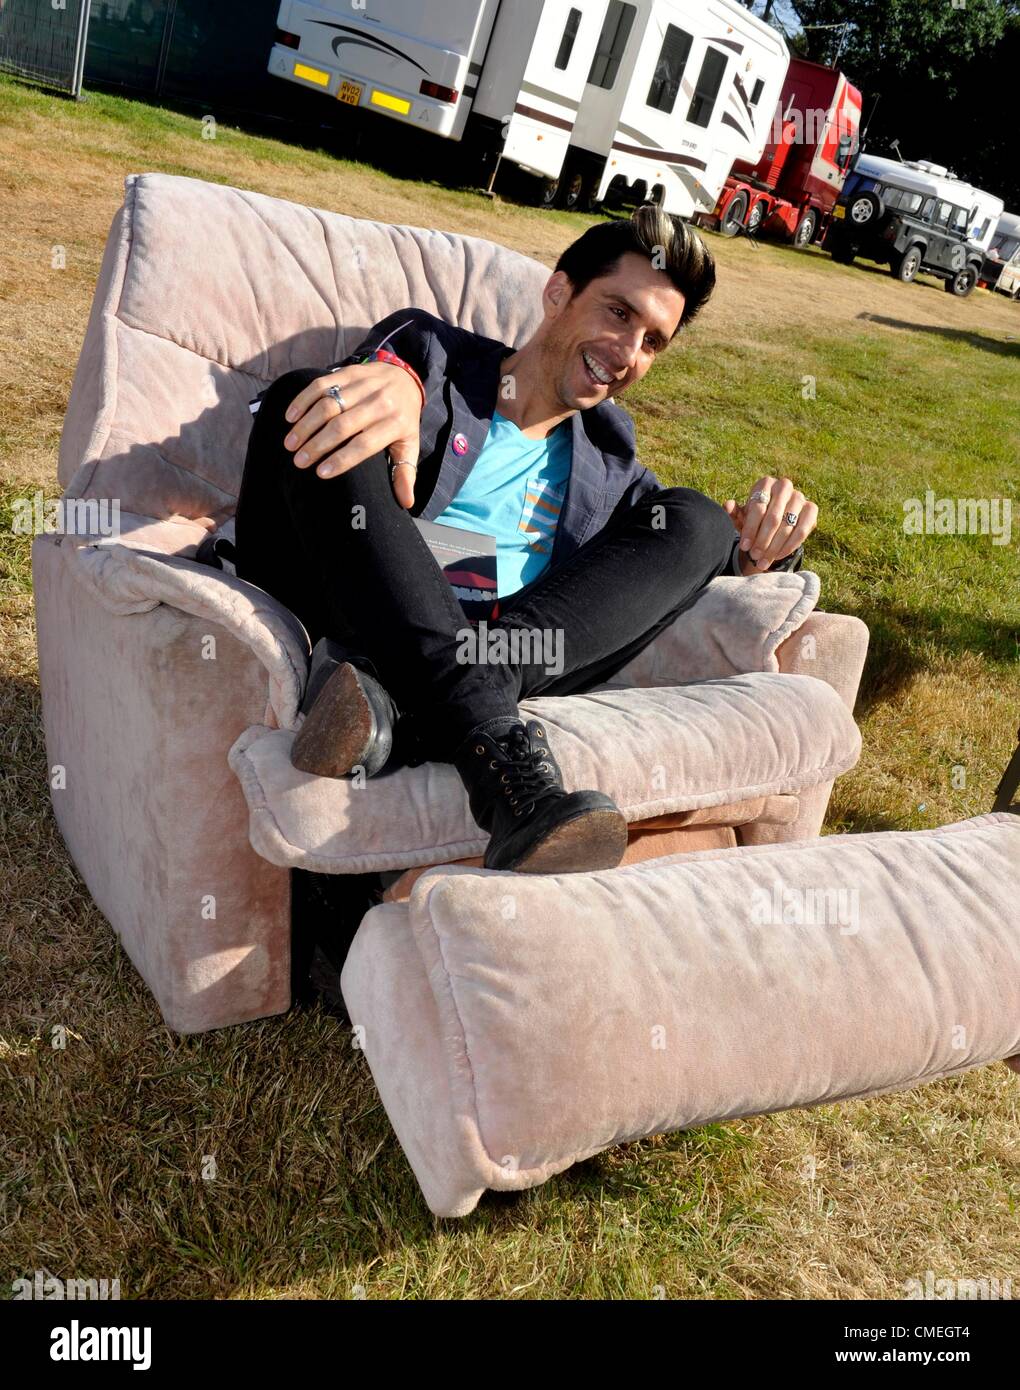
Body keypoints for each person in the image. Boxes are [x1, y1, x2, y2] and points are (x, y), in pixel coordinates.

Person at [235, 206, 817, 875]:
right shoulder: (434, 355)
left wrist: (766, 545)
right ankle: (498, 756)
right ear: (558, 292)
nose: (627, 354)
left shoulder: (611, 464)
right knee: (306, 400)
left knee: (697, 520)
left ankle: (410, 711)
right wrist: (390, 377)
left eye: (653, 342)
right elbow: (331, 426)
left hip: (483, 644)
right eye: (619, 313)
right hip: (348, 591)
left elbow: (682, 558)